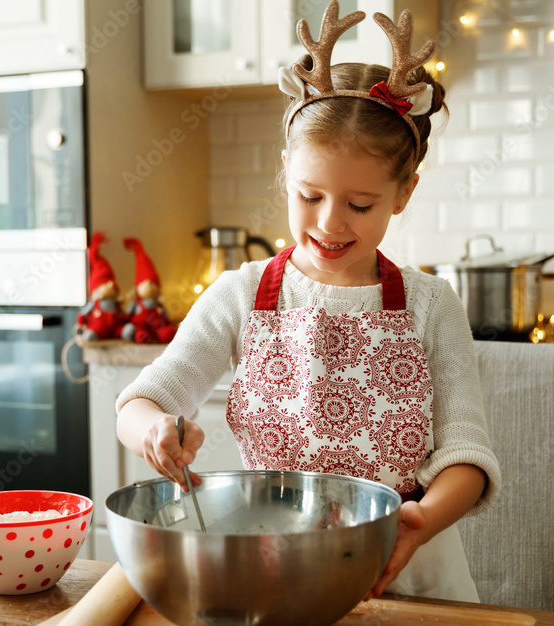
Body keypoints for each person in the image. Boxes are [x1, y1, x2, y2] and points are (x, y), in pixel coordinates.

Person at [115, 1, 500, 603]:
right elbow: (142, 400)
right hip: (276, 566)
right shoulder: (242, 296)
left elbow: (467, 457)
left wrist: (423, 522)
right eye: (309, 195)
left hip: (410, 570)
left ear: (404, 193)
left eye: (361, 204)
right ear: (286, 169)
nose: (329, 223)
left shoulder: (430, 305)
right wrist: (155, 429)